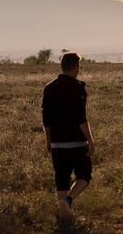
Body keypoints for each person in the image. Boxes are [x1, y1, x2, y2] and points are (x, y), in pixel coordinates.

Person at [42, 52, 95, 219]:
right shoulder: (78, 87)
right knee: (84, 175)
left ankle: (65, 217)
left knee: (62, 179)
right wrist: (90, 140)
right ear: (76, 66)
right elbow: (81, 118)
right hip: (77, 142)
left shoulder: (49, 88)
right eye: (79, 65)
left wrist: (49, 140)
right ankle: (69, 201)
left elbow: (46, 119)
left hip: (57, 143)